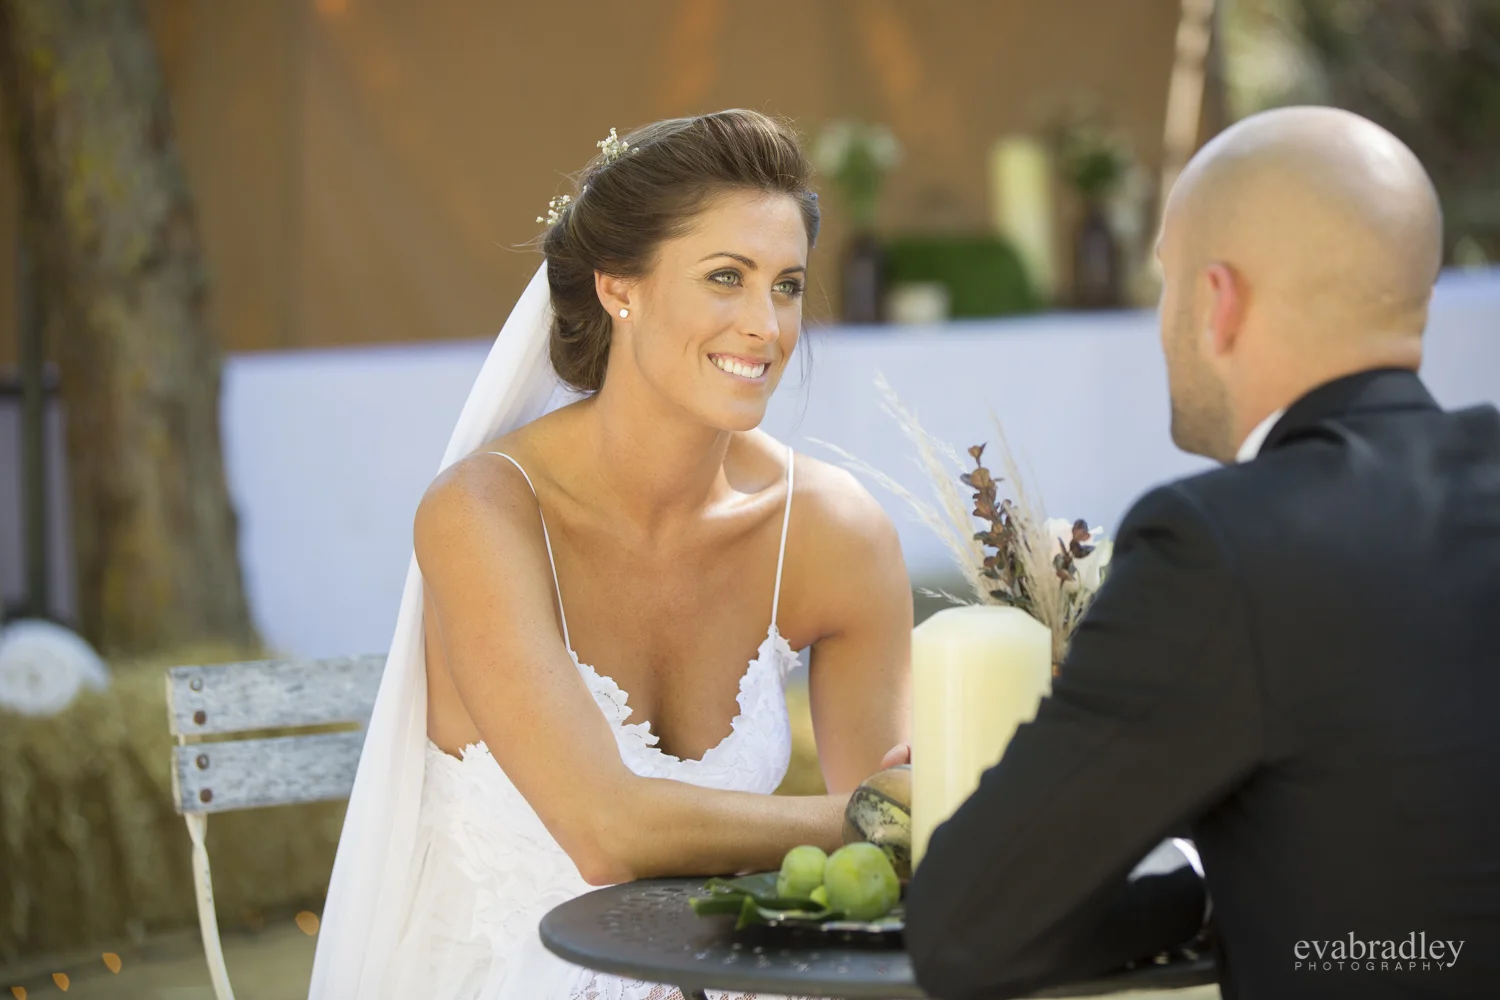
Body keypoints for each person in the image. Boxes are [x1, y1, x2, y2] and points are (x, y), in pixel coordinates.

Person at [309, 110, 913, 1000]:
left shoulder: (833, 531)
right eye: (724, 277)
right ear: (619, 289)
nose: (767, 325)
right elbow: (606, 830)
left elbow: (890, 869)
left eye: (786, 286)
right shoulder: (484, 513)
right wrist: (874, 816)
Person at [905, 105, 1500, 999]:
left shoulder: (1219, 548)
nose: (1162, 326)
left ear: (1219, 302)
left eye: (1167, 286)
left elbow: (965, 930)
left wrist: (1211, 894)